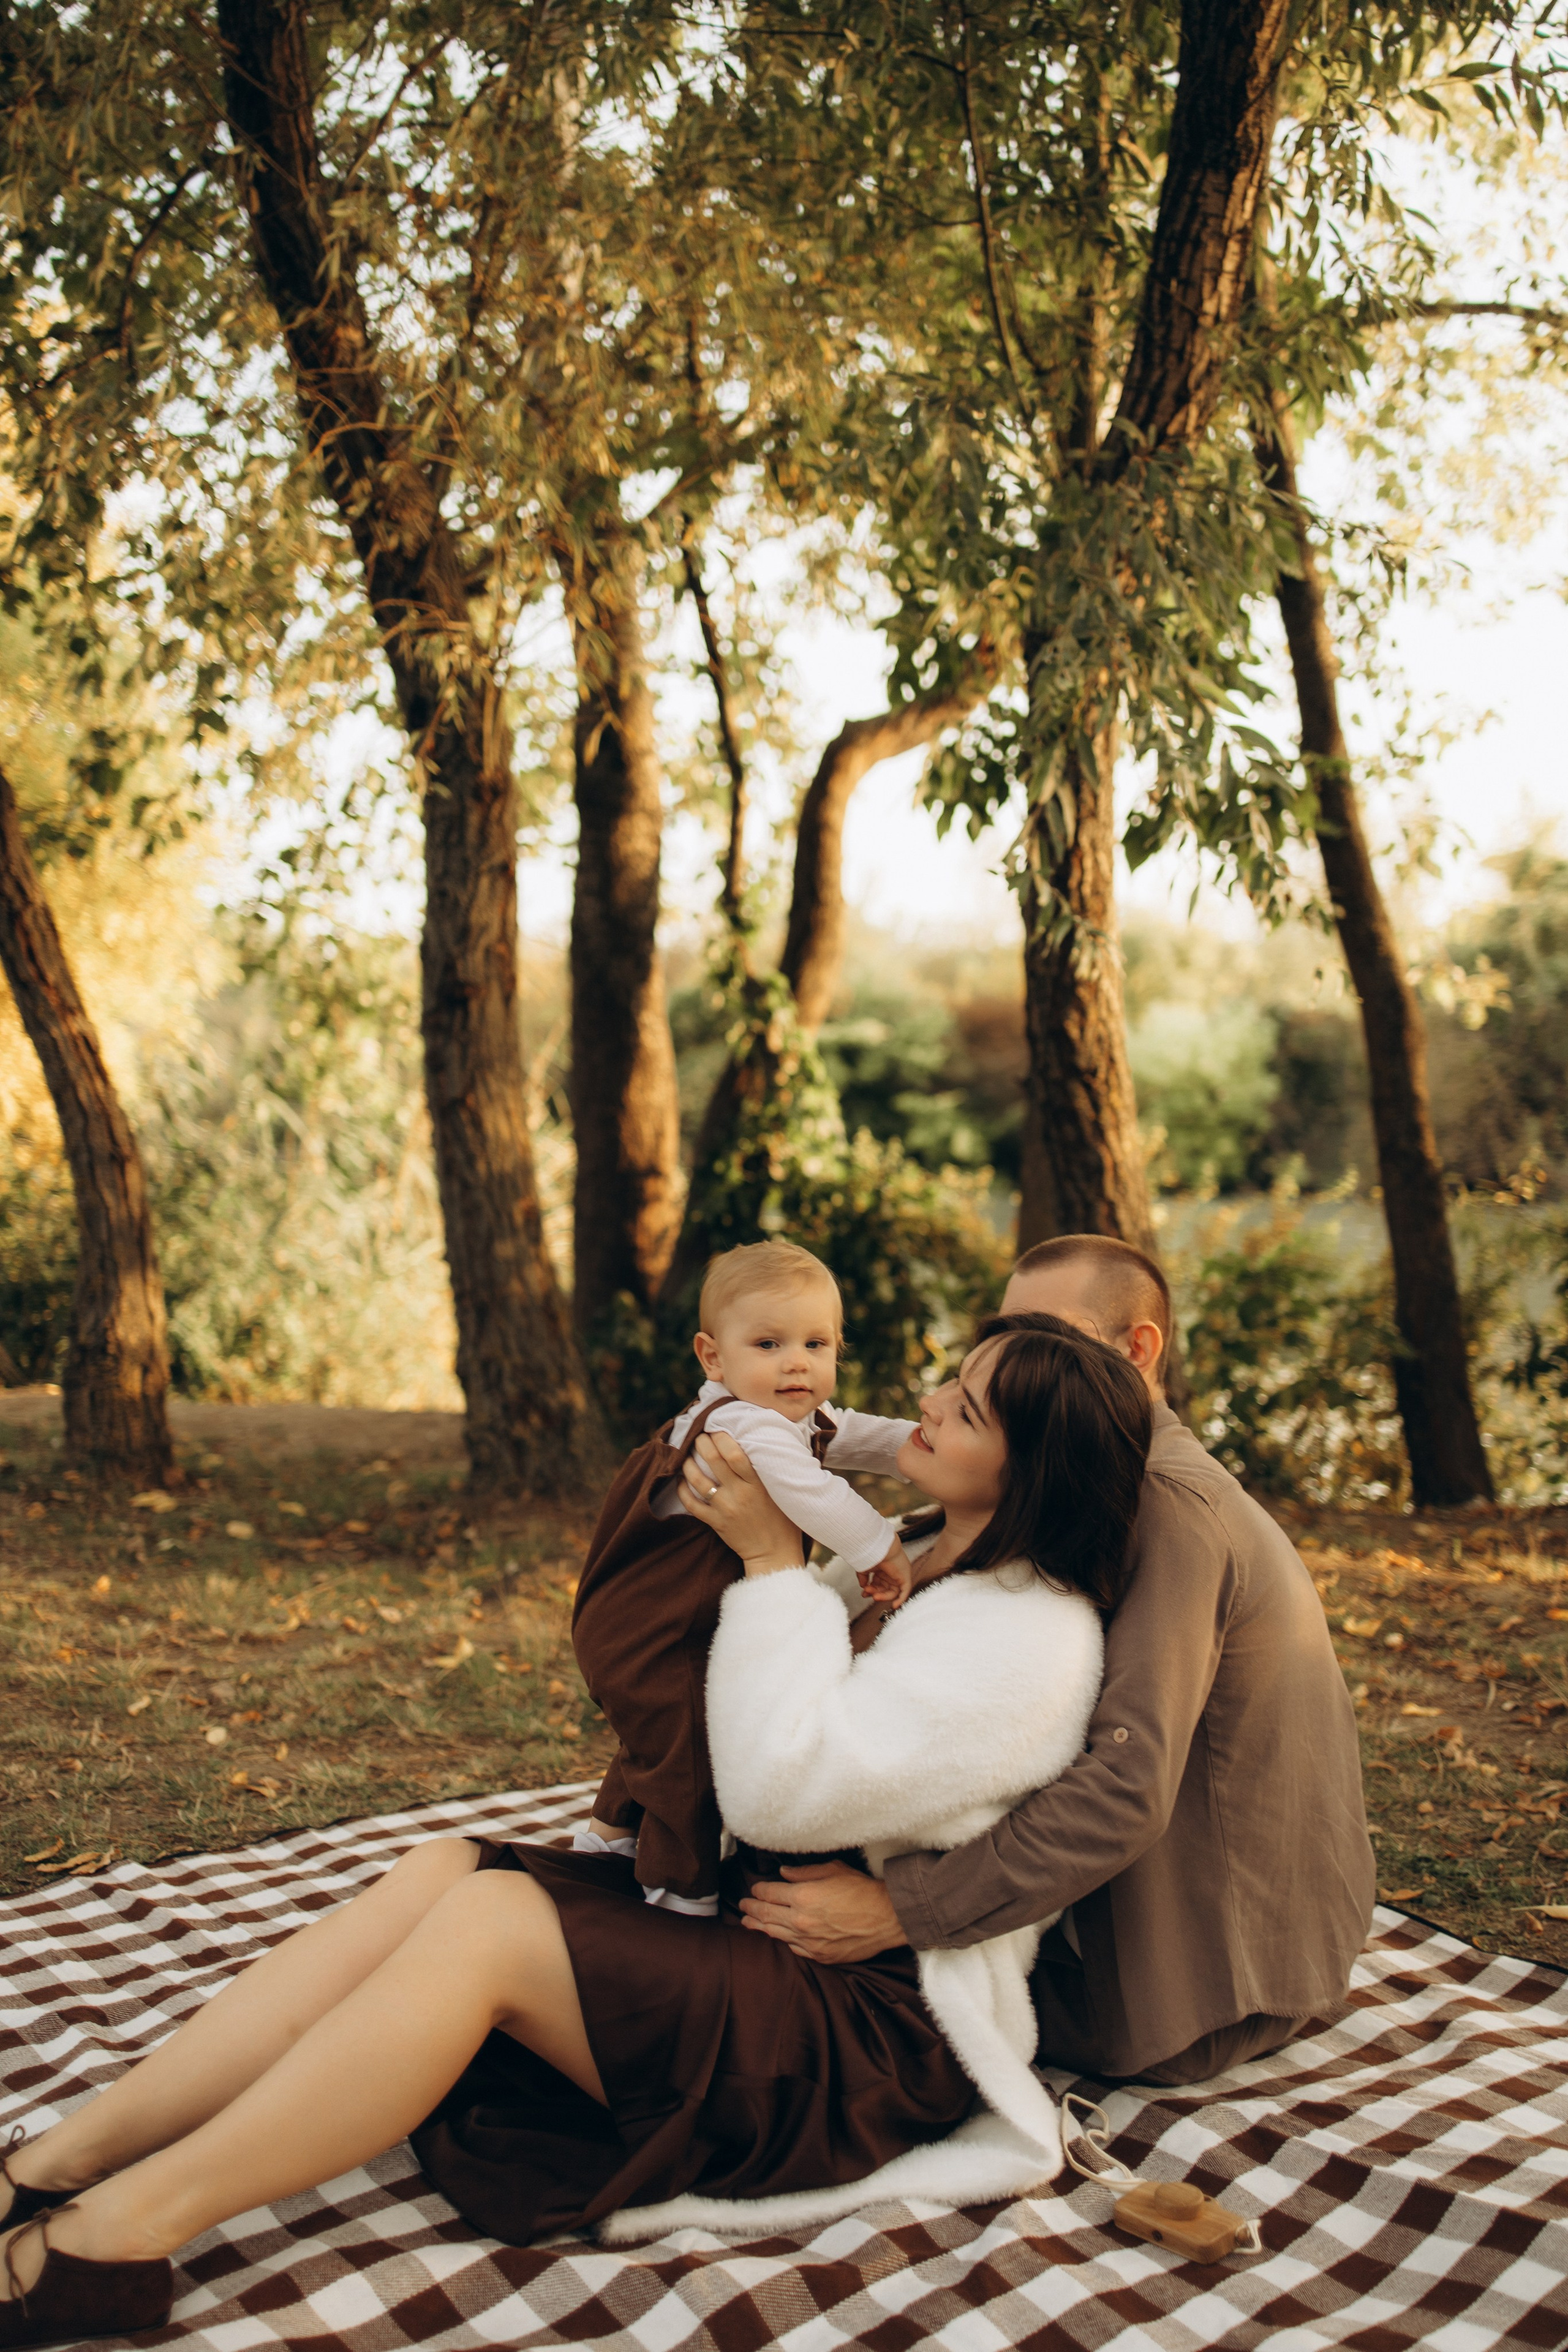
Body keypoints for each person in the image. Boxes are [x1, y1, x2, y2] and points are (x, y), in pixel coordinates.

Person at [0, 1314, 1148, 2346]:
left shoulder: (1028, 1638)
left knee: (496, 1926)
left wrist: (766, 1562)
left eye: (972, 1406)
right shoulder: (924, 1547)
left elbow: (779, 1792)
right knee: (453, 1867)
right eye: (954, 1379)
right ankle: (63, 2159)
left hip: (862, 2041)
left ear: (1035, 1467)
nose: (935, 1403)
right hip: (773, 1933)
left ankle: (125, 2235)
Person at [728, 1233, 1378, 2087]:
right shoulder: (1067, 1481)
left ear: (1137, 1349)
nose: (1014, 1362)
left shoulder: (1167, 1511)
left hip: (1187, 1984)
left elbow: (1125, 1784)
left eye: (1045, 1333)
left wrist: (903, 1913)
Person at [572, 1240, 916, 1913]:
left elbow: (856, 1434)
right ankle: (680, 1893)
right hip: (654, 1624)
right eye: (768, 1344)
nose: (797, 1362)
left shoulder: (784, 1415)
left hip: (663, 1618)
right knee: (689, 1753)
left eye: (817, 1345)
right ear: (713, 1357)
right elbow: (815, 1494)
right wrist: (880, 1547)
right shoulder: (746, 1425)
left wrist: (919, 1449)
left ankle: (605, 1840)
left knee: (664, 1731)